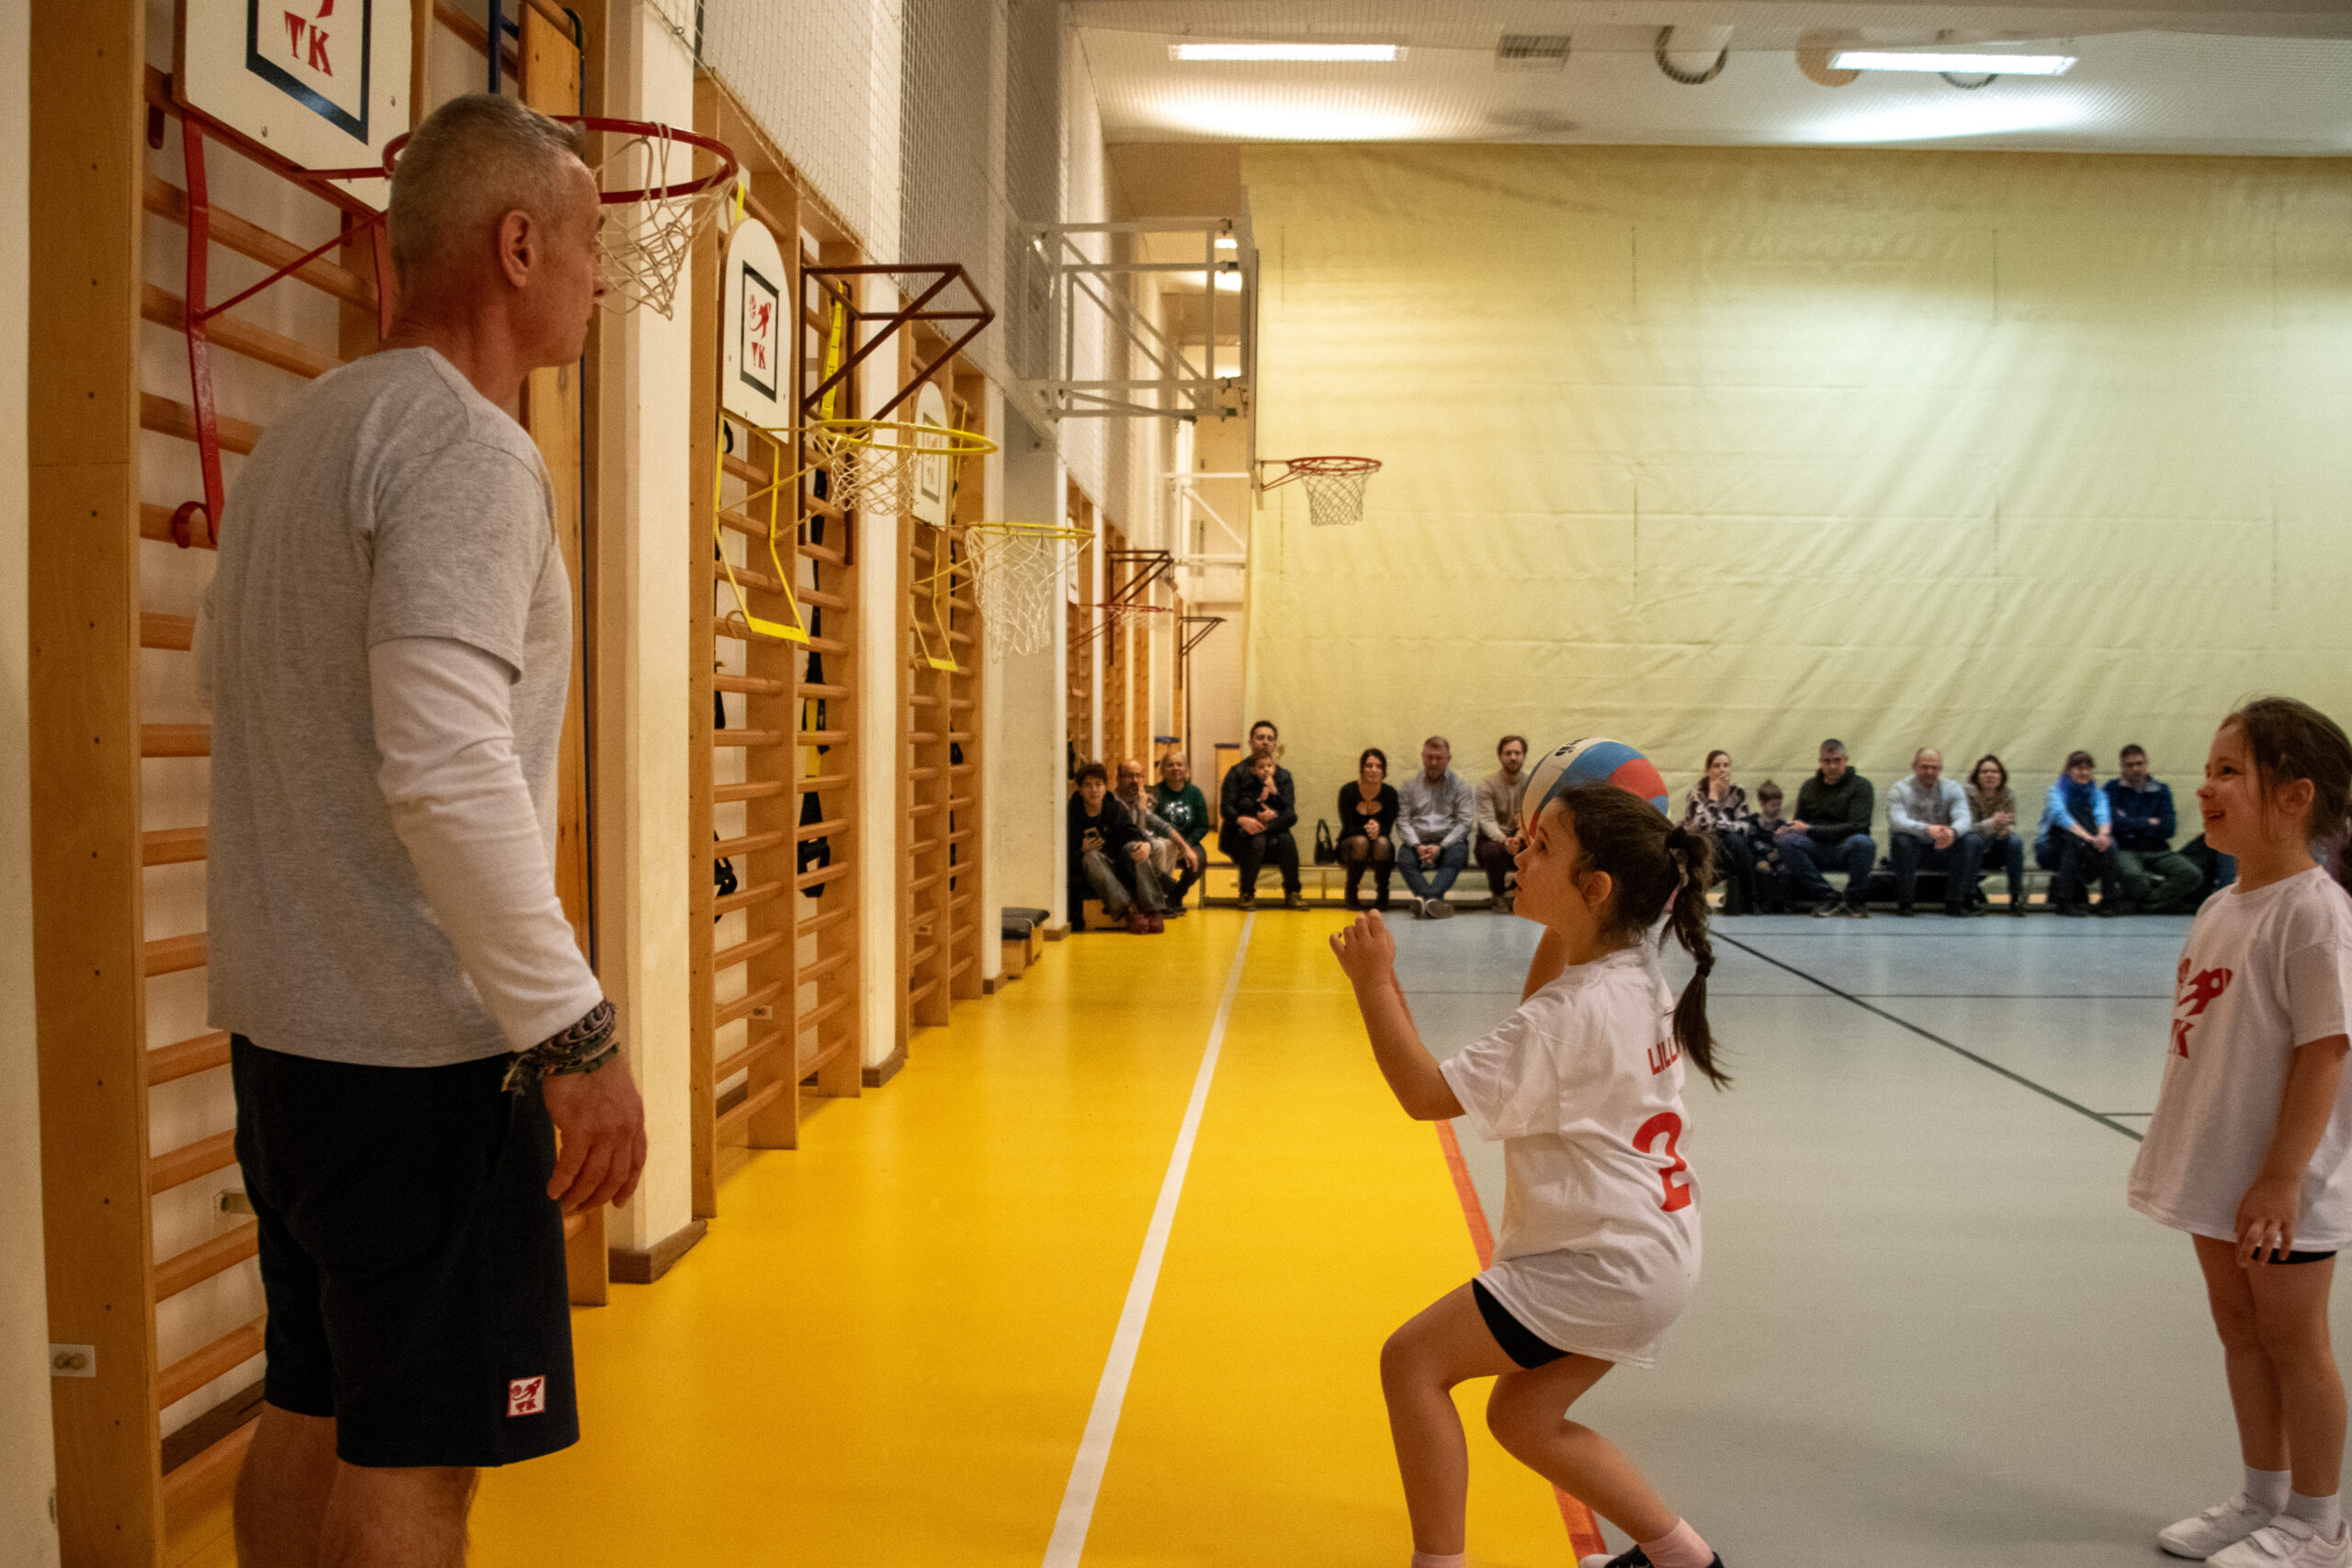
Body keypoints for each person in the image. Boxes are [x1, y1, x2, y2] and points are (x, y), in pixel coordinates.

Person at [192, 96, 649, 1568]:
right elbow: (450, 770)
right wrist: (577, 1036)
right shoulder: (466, 449)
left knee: (314, 1404)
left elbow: (226, 693)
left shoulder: (304, 435)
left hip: (289, 1046)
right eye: (588, 241)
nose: (598, 271)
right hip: (421, 1066)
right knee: (417, 1466)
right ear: (518, 246)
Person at [1329, 783, 1728, 1568]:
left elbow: (1424, 1094)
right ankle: (1684, 1559)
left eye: (1542, 846)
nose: (1519, 850)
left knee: (1412, 1363)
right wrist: (1553, 868)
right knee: (1523, 1417)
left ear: (1595, 887)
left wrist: (1374, 981)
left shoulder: (1570, 1017)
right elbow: (1550, 990)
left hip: (1600, 1266)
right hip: (1654, 1252)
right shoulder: (1632, 968)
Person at [2130, 698, 2352, 1568]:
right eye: (2208, 769)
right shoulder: (2223, 904)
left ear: (2296, 796)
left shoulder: (2315, 913)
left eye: (2230, 771)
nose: (2206, 786)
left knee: (2296, 1342)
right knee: (2240, 1331)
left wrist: (2282, 1178)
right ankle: (2263, 1496)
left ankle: (2320, 1523)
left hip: (2283, 1182)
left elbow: (2325, 1052)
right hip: (2222, 1168)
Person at [1777, 739, 1877, 919]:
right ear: (1820, 762)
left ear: (1845, 760)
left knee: (1864, 843)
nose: (1832, 766)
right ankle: (1826, 895)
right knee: (1786, 841)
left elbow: (1858, 826)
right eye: (1827, 761)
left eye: (1836, 760)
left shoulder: (1861, 786)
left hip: (1846, 848)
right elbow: (1800, 823)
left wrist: (1811, 830)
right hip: (1816, 847)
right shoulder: (1809, 787)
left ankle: (1854, 899)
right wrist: (1789, 828)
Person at [2109, 744, 2205, 915]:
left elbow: (2169, 827)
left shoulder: (2161, 790)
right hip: (2126, 849)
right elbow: (2116, 825)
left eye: (2139, 764)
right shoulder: (2111, 790)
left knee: (2192, 874)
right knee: (2132, 875)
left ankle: (2146, 904)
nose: (2135, 769)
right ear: (2121, 766)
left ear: (2146, 763)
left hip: (2158, 850)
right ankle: (2163, 903)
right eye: (2130, 765)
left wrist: (2132, 823)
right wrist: (2150, 822)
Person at [1068, 761, 1164, 933]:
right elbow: (1067, 859)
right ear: (1080, 790)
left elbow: (1133, 833)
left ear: (1105, 788)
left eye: (1098, 784)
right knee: (1090, 856)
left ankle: (1153, 910)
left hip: (1119, 865)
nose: (1094, 790)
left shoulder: (1115, 809)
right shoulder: (1072, 815)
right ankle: (1130, 910)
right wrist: (1081, 851)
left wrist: (1145, 845)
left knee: (1135, 846)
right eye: (1088, 786)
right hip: (1094, 872)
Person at [1220, 722, 1306, 911]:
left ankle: (1293, 892)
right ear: (1251, 742)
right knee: (1257, 840)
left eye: (1270, 739)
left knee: (1286, 839)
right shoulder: (1236, 773)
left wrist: (1273, 815)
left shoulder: (1284, 776)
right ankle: (1246, 893)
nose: (1265, 742)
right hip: (1240, 837)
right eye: (1260, 738)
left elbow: (1290, 815)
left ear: (1275, 744)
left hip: (1272, 835)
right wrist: (1243, 819)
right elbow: (1226, 809)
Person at [1887, 748, 1981, 918]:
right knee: (1901, 839)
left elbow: (1965, 818)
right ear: (1914, 766)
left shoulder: (1953, 789)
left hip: (1942, 848)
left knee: (1969, 839)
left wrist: (1952, 832)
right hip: (1912, 848)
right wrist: (1927, 829)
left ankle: (1955, 902)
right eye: (1924, 767)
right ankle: (1905, 903)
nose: (1930, 772)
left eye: (1934, 767)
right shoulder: (1899, 789)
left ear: (1940, 768)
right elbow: (1897, 821)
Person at [1398, 736, 1477, 920]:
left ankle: (1424, 898)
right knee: (1404, 859)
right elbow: (1403, 821)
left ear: (1448, 759)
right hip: (1418, 841)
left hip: (1449, 842)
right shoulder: (1409, 786)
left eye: (1439, 758)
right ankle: (1433, 899)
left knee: (1458, 856)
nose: (1433, 762)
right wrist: (1417, 845)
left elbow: (1464, 823)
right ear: (1422, 757)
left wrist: (1441, 846)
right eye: (1429, 757)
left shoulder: (1461, 787)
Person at [2038, 750, 2123, 916]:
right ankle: (2064, 901)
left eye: (2088, 769)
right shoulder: (2056, 792)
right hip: (2051, 847)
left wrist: (2103, 836)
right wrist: (2091, 838)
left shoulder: (2098, 794)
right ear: (2069, 771)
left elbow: (2103, 815)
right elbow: (2062, 817)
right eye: (2079, 769)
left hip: (2083, 845)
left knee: (2111, 845)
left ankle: (2108, 901)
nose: (2084, 772)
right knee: (2074, 842)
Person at [1679, 750, 1761, 917]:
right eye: (1717, 766)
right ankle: (1748, 899)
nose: (1722, 769)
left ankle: (1747, 899)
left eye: (1726, 765)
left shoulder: (1738, 793)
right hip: (1703, 848)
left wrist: (1720, 826)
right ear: (1707, 771)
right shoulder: (1696, 794)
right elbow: (1701, 826)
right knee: (1722, 840)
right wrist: (1713, 797)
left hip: (1729, 849)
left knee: (1735, 840)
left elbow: (1744, 827)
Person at [1115, 757, 1200, 916]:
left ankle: (1164, 899)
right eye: (1129, 776)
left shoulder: (1133, 800)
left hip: (1137, 847)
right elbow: (1136, 840)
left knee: (1170, 843)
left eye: (1138, 776)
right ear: (1118, 778)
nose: (1135, 781)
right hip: (1123, 854)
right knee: (1158, 846)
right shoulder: (1114, 803)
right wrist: (1141, 810)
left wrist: (1186, 847)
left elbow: (1163, 825)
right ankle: (1155, 903)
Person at [1338, 747, 1402, 911]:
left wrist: (1378, 830)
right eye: (1369, 766)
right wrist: (1368, 830)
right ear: (1362, 768)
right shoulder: (1348, 791)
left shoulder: (1390, 794)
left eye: (1378, 766)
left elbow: (1387, 828)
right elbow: (1348, 827)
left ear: (1383, 771)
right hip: (1351, 844)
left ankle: (1383, 894)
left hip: (1379, 845)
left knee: (1382, 842)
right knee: (1361, 842)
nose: (1374, 770)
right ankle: (1351, 892)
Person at [1965, 753, 2029, 917]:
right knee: (1974, 840)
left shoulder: (2008, 795)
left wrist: (2005, 829)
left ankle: (2015, 897)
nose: (1989, 775)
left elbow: (2009, 822)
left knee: (2015, 842)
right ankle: (1970, 896)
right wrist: (1992, 824)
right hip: (1973, 848)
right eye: (1984, 772)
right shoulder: (1968, 794)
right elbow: (1967, 828)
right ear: (1977, 776)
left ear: (2001, 776)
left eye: (1994, 772)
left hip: (1996, 848)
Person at [1475, 736, 1532, 913]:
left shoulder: (1531, 784)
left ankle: (1520, 891)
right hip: (1493, 840)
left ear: (1524, 756)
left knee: (1540, 849)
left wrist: (1519, 838)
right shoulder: (1486, 785)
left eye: (1517, 753)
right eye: (1508, 753)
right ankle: (1498, 895)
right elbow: (1486, 819)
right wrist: (1504, 840)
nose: (1513, 757)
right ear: (1500, 756)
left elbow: (1530, 816)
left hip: (1522, 839)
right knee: (1493, 852)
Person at [1150, 751, 1213, 910]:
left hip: (1189, 842)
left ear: (1186, 769)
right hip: (1163, 843)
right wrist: (1173, 845)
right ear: (1163, 770)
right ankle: (1158, 899)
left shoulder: (1195, 793)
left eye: (1180, 764)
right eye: (1170, 765)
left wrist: (1186, 845)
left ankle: (1175, 896)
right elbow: (1152, 824)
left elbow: (1203, 825)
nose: (1175, 768)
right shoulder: (1155, 792)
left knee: (1198, 861)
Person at [1751, 781, 1794, 913]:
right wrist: (1766, 855)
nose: (1777, 808)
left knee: (1785, 870)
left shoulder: (1781, 824)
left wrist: (1779, 844)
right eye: (1773, 805)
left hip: (1778, 857)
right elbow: (1752, 841)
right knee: (1763, 868)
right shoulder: (1754, 822)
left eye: (1779, 805)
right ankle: (1765, 902)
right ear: (1762, 804)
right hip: (1760, 856)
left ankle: (1783, 902)